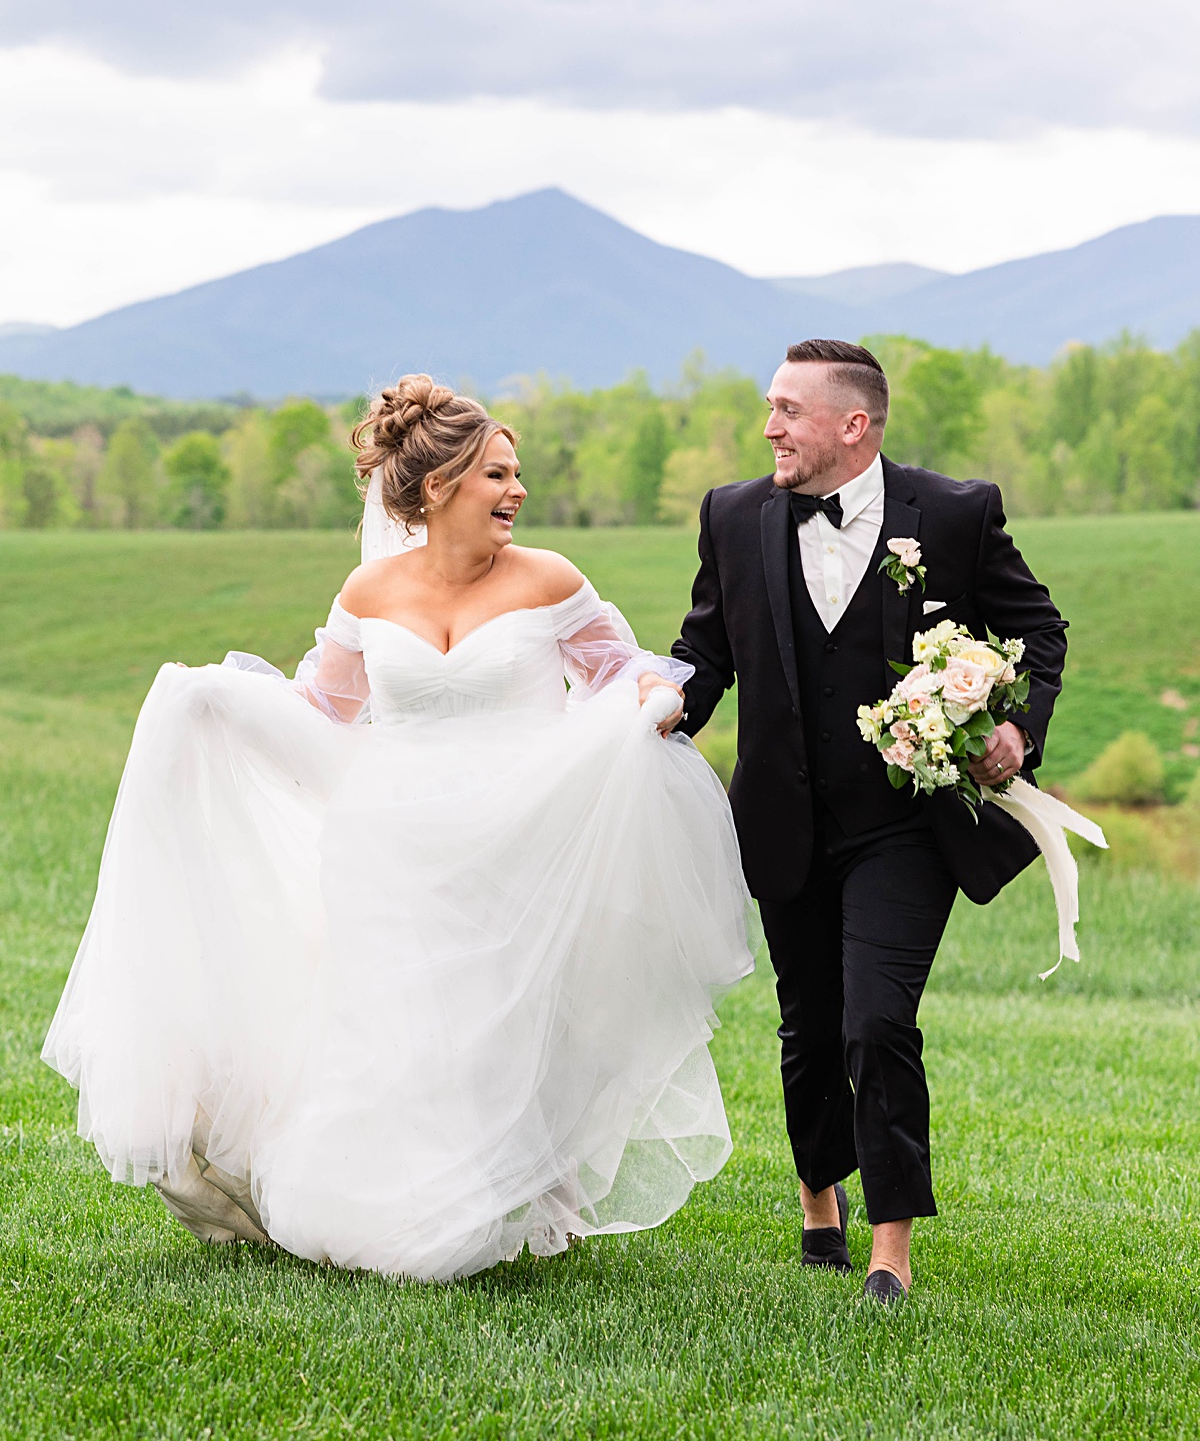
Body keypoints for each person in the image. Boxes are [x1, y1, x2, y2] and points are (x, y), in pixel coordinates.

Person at [44, 375, 756, 1281]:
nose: (518, 492)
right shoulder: (369, 592)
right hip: (389, 847)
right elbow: (321, 709)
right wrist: (213, 702)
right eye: (498, 475)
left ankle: (508, 1187)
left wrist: (654, 699)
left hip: (517, 841)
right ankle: (374, 1195)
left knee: (501, 1029)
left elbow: (623, 670)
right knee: (398, 1032)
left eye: (517, 473)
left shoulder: (550, 579)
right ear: (438, 488)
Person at [666, 339, 1068, 1303]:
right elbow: (705, 651)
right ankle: (820, 1199)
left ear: (855, 425)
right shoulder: (732, 515)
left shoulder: (959, 513)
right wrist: (659, 704)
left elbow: (1038, 628)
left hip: (905, 824)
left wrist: (1015, 727)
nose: (769, 426)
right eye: (768, 407)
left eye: (787, 410)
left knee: (877, 1021)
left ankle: (891, 1247)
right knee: (807, 1027)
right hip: (780, 817)